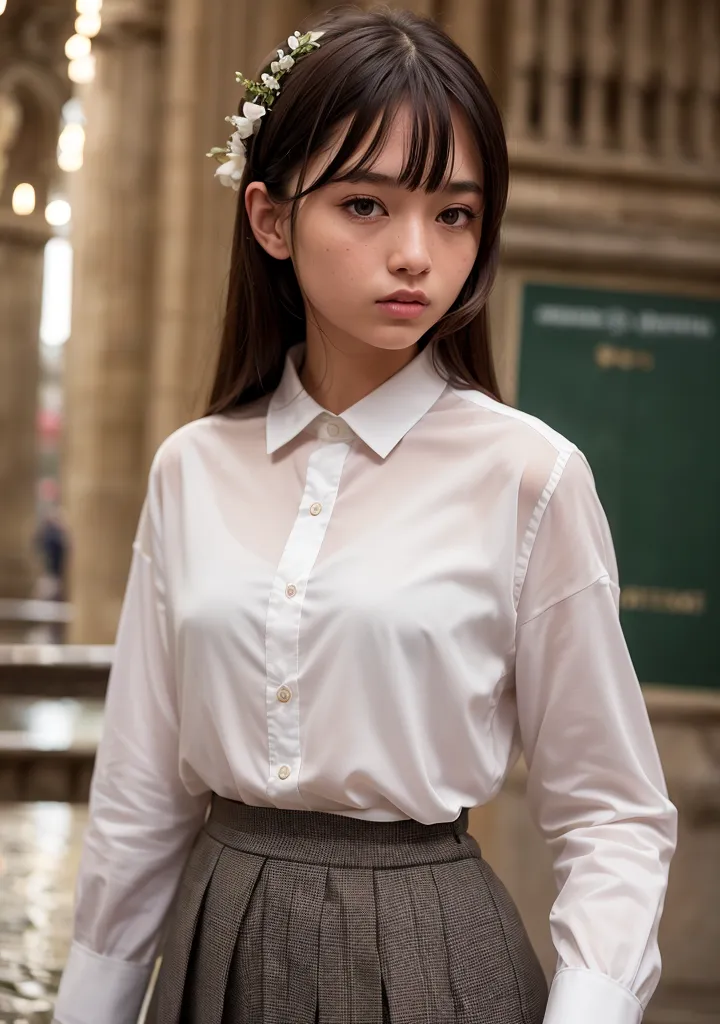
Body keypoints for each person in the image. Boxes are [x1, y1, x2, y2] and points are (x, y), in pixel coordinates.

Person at [53, 7, 677, 1024]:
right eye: (367, 206)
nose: (416, 256)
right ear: (269, 217)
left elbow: (614, 812)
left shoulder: (532, 476)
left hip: (434, 961)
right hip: (218, 957)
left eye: (455, 215)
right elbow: (140, 796)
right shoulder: (193, 470)